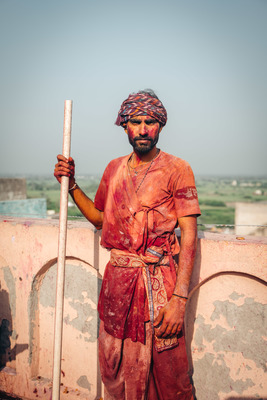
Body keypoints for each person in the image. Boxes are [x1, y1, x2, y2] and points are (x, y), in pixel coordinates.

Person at [54, 89, 201, 400]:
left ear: (160, 125)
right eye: (136, 121)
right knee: (115, 368)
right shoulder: (114, 169)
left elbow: (188, 233)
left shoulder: (177, 169)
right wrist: (71, 184)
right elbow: (98, 218)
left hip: (159, 286)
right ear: (125, 126)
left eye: (150, 121)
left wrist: (179, 300)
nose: (143, 129)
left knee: (168, 371)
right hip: (118, 285)